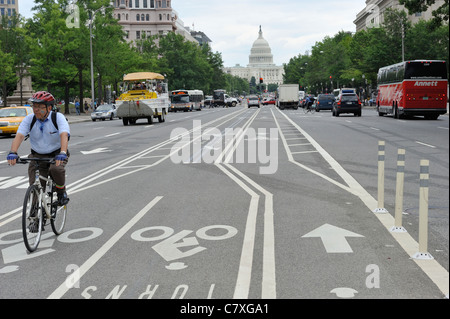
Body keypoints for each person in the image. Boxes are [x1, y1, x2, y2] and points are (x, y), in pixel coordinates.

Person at [6, 91, 70, 206]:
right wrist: (13, 152)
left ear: (49, 108)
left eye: (40, 107)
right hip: (37, 155)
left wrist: (63, 152)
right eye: (34, 106)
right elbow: (19, 136)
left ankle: (61, 191)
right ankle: (35, 214)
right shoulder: (29, 119)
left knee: (56, 169)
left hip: (57, 154)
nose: (35, 110)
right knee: (35, 186)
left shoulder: (58, 118)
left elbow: (64, 135)